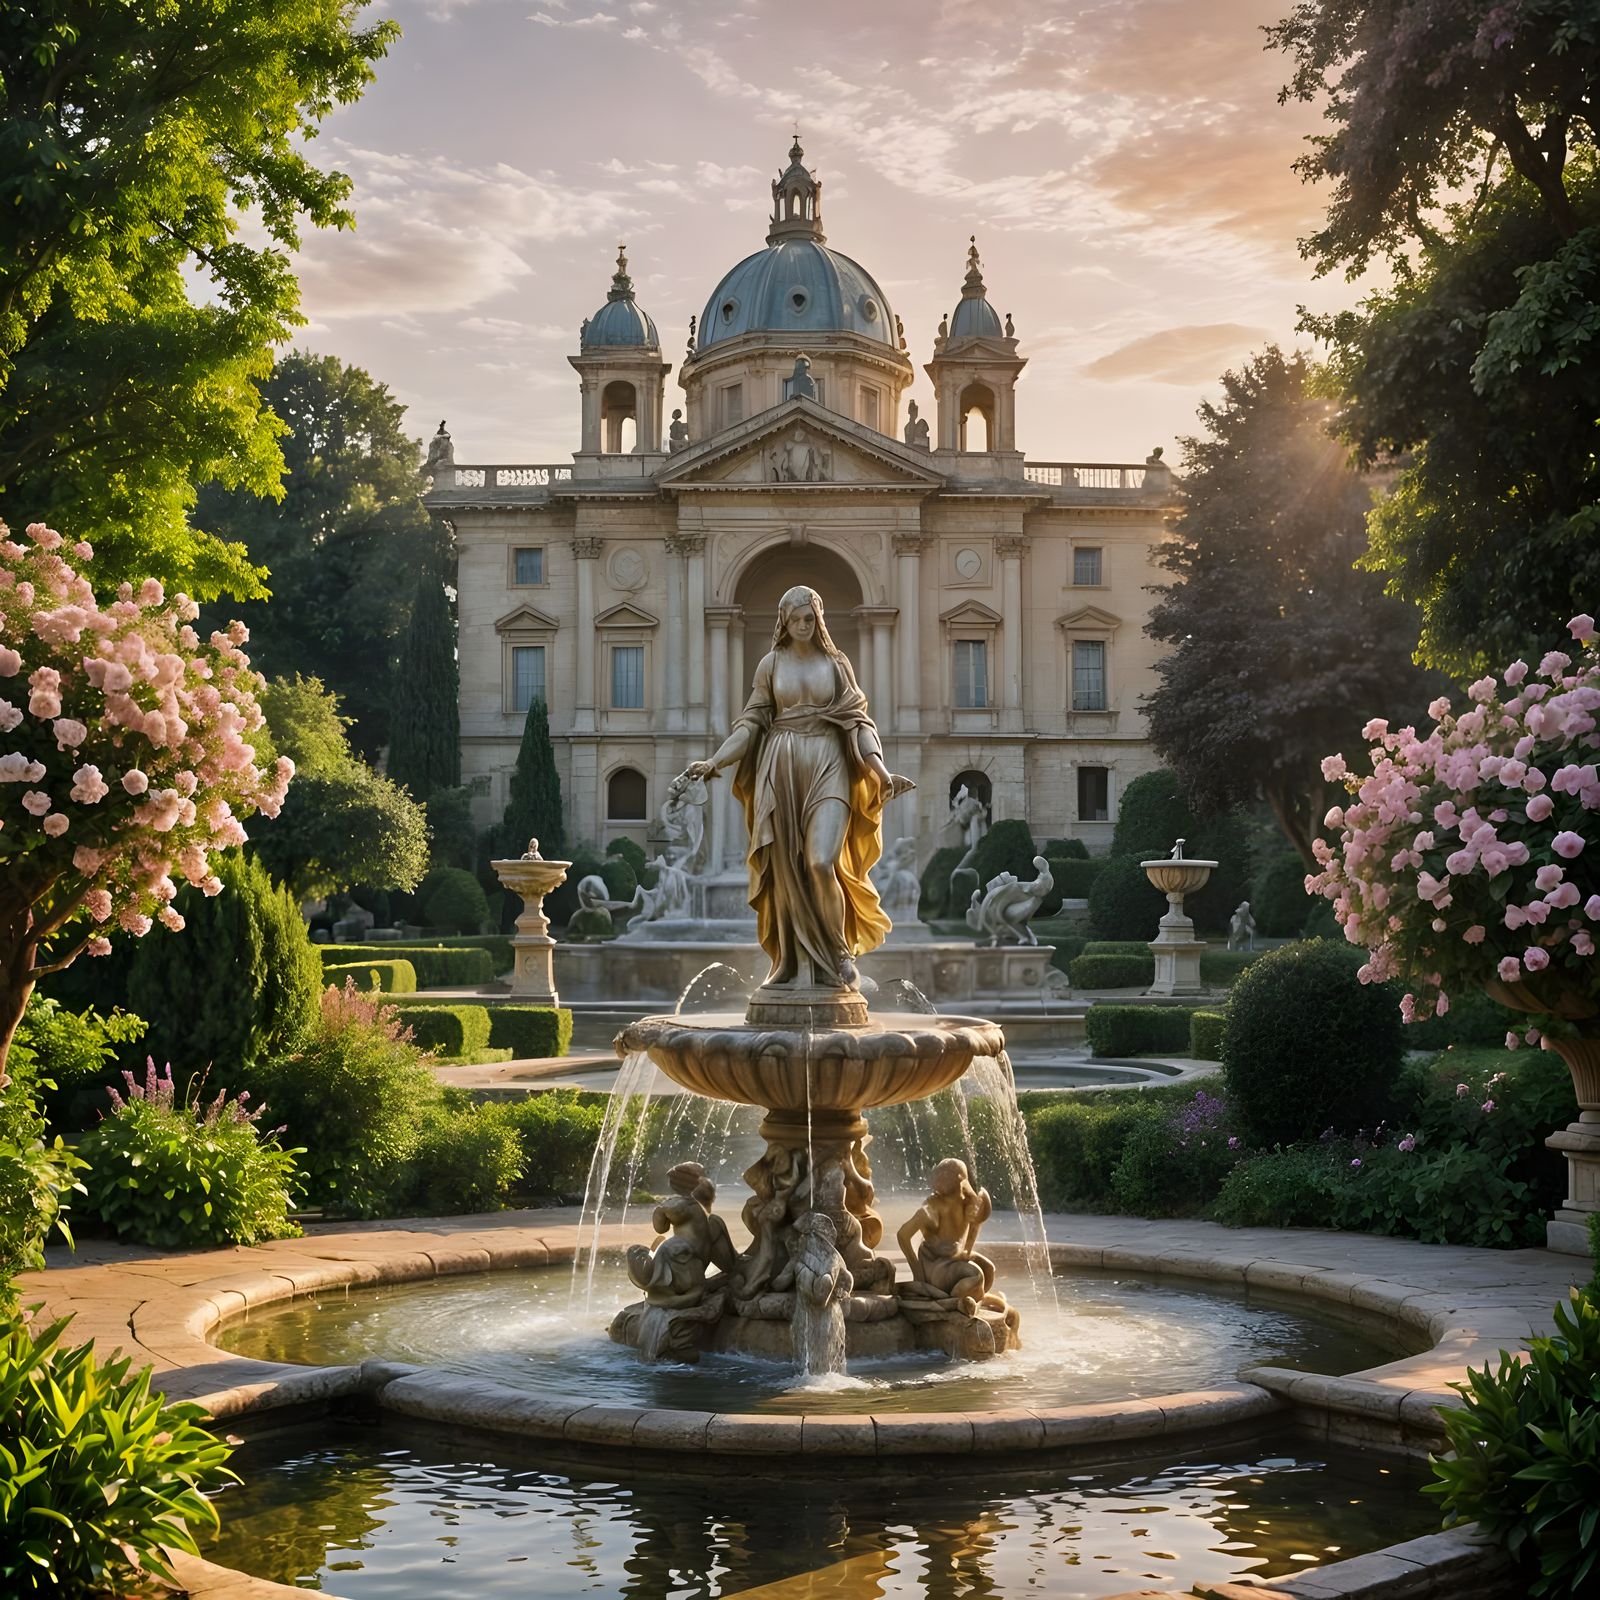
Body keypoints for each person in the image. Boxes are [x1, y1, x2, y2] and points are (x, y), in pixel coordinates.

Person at [679, 585, 912, 992]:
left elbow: (858, 724)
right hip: (781, 767)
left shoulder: (838, 665)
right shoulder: (770, 665)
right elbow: (750, 725)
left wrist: (881, 772)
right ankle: (793, 960)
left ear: (819, 619)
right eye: (796, 618)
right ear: (783, 621)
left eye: (810, 618)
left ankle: (840, 953)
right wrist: (715, 761)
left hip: (828, 762)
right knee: (788, 870)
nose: (804, 625)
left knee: (822, 862)